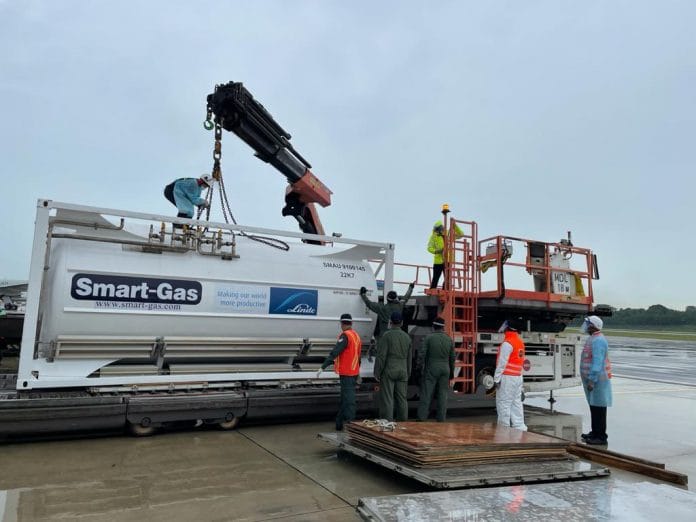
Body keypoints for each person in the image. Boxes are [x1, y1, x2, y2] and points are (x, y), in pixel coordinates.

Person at [317, 313, 362, 431]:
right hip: (354, 372)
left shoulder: (345, 336)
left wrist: (323, 366)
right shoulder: (356, 335)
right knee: (345, 399)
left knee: (349, 401)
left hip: (347, 373)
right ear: (351, 323)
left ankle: (351, 426)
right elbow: (358, 356)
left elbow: (336, 351)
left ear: (342, 324)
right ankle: (338, 424)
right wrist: (358, 372)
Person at [580, 315, 612, 445]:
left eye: (587, 324)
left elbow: (597, 362)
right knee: (594, 407)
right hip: (591, 380)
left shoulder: (598, 340)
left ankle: (601, 436)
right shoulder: (593, 338)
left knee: (599, 408)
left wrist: (592, 380)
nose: (585, 326)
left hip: (598, 380)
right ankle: (595, 432)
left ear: (593, 326)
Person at [375, 311, 412, 421]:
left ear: (390, 322)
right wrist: (408, 372)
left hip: (389, 369)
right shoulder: (407, 337)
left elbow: (381, 356)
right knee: (402, 398)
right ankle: (402, 422)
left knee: (388, 398)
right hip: (403, 370)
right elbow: (409, 358)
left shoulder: (387, 336)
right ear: (402, 323)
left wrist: (377, 372)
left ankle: (388, 422)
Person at [417, 317, 455, 422]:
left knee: (426, 393)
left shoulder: (428, 338)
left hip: (432, 369)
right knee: (443, 395)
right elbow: (452, 359)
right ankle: (441, 418)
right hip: (445, 369)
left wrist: (419, 368)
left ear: (433, 327)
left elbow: (422, 355)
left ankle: (422, 417)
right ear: (443, 327)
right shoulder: (449, 339)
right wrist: (451, 375)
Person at [494, 319, 527, 431]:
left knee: (504, 403)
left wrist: (496, 379)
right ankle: (520, 427)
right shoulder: (520, 342)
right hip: (518, 377)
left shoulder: (507, 343)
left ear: (508, 328)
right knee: (516, 403)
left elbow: (501, 363)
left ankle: (503, 430)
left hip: (507, 378)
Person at [427, 220, 464, 289]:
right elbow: (429, 248)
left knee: (448, 279)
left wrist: (455, 226)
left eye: (439, 229)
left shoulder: (449, 234)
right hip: (438, 261)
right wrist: (436, 251)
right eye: (436, 229)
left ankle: (445, 291)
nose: (437, 231)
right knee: (435, 278)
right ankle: (432, 292)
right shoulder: (433, 237)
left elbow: (461, 234)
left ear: (442, 228)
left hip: (448, 260)